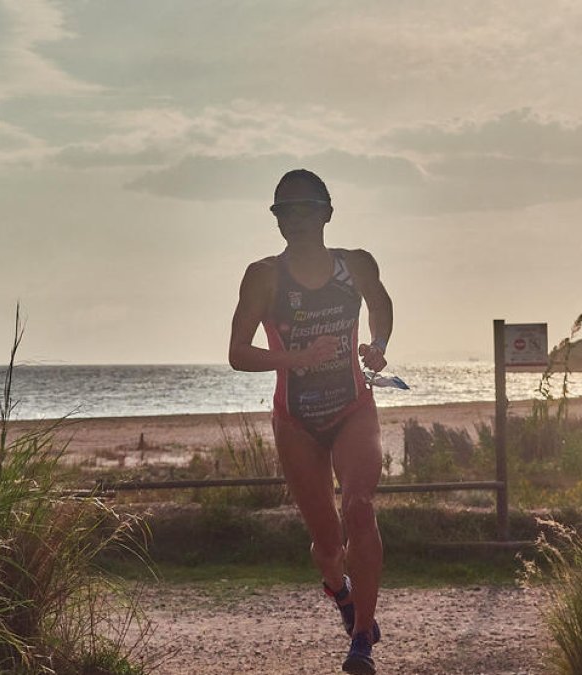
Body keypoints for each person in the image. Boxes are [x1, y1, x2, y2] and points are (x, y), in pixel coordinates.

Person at [228, 169, 392, 675]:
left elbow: (381, 305)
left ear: (327, 213)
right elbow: (237, 353)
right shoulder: (264, 276)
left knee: (359, 508)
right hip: (296, 420)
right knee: (327, 545)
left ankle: (361, 639)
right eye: (284, 210)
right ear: (276, 219)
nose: (294, 219)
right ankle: (339, 590)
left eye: (305, 209)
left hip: (353, 408)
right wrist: (295, 359)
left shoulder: (356, 264)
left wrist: (377, 345)